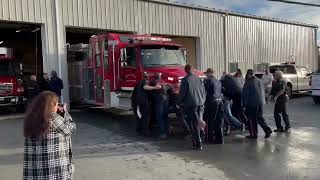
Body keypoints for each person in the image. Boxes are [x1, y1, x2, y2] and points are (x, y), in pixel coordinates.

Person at [23, 91, 76, 180]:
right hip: (54, 168)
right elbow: (70, 129)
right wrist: (65, 113)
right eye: (56, 104)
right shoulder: (53, 118)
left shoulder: (30, 119)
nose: (57, 106)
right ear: (51, 105)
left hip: (36, 168)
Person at [177, 64, 206, 150]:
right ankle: (199, 139)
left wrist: (178, 103)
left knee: (193, 124)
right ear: (192, 69)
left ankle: (197, 143)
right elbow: (203, 91)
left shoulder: (185, 80)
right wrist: (202, 101)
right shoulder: (198, 79)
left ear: (185, 70)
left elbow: (182, 93)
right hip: (200, 103)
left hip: (190, 104)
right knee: (197, 122)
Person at [242, 69, 272, 139]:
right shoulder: (259, 80)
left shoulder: (248, 82)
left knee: (252, 119)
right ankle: (267, 129)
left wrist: (244, 105)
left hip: (251, 103)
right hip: (260, 102)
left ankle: (254, 134)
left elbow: (245, 95)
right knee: (259, 117)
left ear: (248, 74)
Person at [203, 68, 224, 144]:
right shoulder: (218, 82)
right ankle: (220, 139)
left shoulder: (208, 81)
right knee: (218, 121)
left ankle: (210, 138)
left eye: (206, 73)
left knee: (210, 121)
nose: (206, 75)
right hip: (219, 102)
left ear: (209, 73)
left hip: (212, 103)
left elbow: (204, 93)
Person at [150, 73, 169, 139]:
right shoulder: (163, 81)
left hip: (159, 98)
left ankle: (163, 133)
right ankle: (167, 131)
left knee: (159, 116)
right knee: (165, 116)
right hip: (166, 98)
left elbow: (148, 88)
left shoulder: (153, 81)